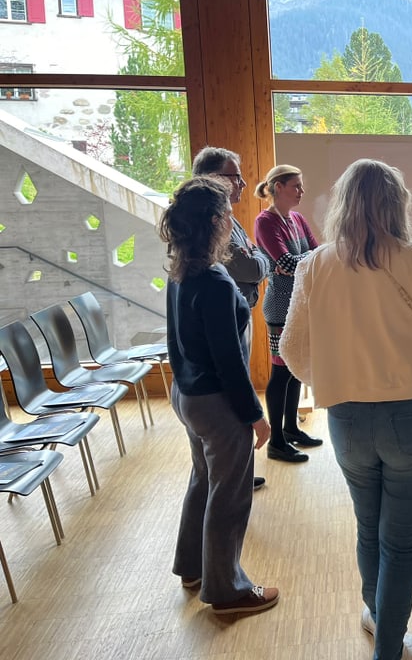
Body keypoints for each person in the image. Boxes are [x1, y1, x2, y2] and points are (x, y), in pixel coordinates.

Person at [280, 159, 412, 660]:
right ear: (396, 203)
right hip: (411, 415)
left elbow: (292, 350)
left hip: (346, 418)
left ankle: (376, 613)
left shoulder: (314, 264)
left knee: (368, 525)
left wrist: (332, 381)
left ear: (342, 203)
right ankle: (390, 644)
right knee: (399, 539)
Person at [159, 176, 278, 615]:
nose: (232, 220)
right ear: (214, 221)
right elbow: (230, 362)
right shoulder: (215, 281)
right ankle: (226, 590)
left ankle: (192, 566)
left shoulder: (180, 271)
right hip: (215, 403)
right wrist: (255, 416)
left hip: (186, 395)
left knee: (203, 481)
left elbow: (177, 344)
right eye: (227, 213)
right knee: (230, 494)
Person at [192, 146, 271, 490]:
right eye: (234, 176)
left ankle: (234, 470)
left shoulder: (230, 217)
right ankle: (230, 474)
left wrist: (257, 259)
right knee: (231, 393)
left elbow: (257, 259)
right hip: (226, 321)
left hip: (241, 310)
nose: (242, 183)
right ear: (211, 178)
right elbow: (254, 265)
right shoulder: (210, 227)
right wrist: (256, 259)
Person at [254, 163, 322, 463]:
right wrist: (302, 259)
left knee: (295, 369)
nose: (301, 191)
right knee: (281, 372)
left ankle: (292, 428)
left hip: (300, 303)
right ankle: (277, 440)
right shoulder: (265, 221)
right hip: (280, 306)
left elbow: (317, 254)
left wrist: (301, 259)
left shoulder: (296, 218)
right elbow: (285, 262)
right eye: (296, 185)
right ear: (278, 187)